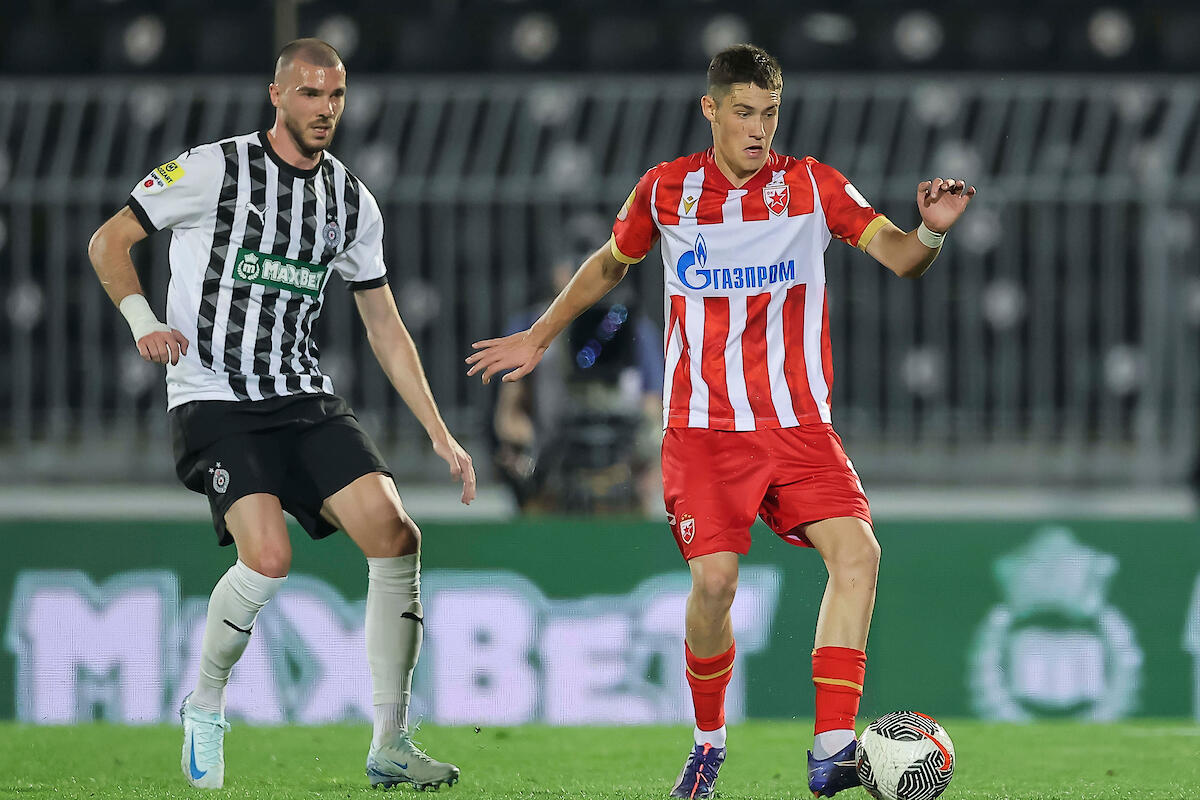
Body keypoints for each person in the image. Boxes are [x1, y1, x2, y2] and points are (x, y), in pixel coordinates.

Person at [467, 44, 974, 799]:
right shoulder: (666, 190)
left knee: (859, 555)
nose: (758, 128)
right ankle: (709, 743)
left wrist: (929, 230)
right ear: (711, 110)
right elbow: (610, 263)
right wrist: (541, 336)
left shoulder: (813, 186)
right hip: (704, 429)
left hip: (799, 426)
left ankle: (832, 749)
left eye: (769, 113)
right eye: (743, 112)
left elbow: (901, 258)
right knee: (715, 584)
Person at [87, 38, 474, 792]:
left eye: (335, 95)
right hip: (213, 395)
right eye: (309, 93)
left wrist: (438, 431)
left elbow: (384, 322)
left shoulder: (351, 201)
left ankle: (391, 742)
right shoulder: (213, 169)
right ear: (277, 95)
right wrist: (142, 321)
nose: (325, 109)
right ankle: (205, 704)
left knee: (396, 534)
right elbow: (109, 242)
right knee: (267, 558)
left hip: (299, 394)